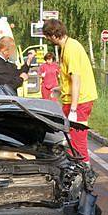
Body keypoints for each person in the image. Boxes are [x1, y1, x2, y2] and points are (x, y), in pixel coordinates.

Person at [42, 19, 98, 165]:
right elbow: (70, 78)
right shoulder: (67, 47)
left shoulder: (71, 49)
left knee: (77, 141)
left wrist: (73, 108)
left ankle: (84, 172)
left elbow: (76, 79)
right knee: (71, 139)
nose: (48, 40)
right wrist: (60, 89)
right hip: (75, 99)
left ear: (53, 35)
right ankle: (77, 169)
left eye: (47, 36)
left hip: (79, 101)